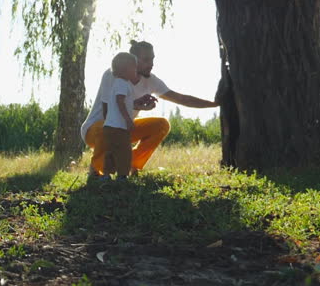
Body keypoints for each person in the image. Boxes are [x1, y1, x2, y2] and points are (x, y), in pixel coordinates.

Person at [81, 40, 220, 177]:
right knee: (106, 127)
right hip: (95, 129)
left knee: (162, 124)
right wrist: (135, 104)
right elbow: (108, 111)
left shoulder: (151, 80)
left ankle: (131, 164)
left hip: (124, 128)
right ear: (133, 61)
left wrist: (215, 104)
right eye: (146, 60)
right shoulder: (113, 74)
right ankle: (96, 169)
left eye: (152, 59)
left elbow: (181, 98)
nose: (151, 64)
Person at [103, 52, 140, 181]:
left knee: (111, 150)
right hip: (118, 126)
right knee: (124, 151)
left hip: (109, 125)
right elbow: (120, 102)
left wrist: (143, 107)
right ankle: (122, 176)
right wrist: (128, 120)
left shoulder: (119, 83)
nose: (136, 70)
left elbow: (126, 103)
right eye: (134, 68)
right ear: (125, 70)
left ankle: (107, 175)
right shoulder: (123, 84)